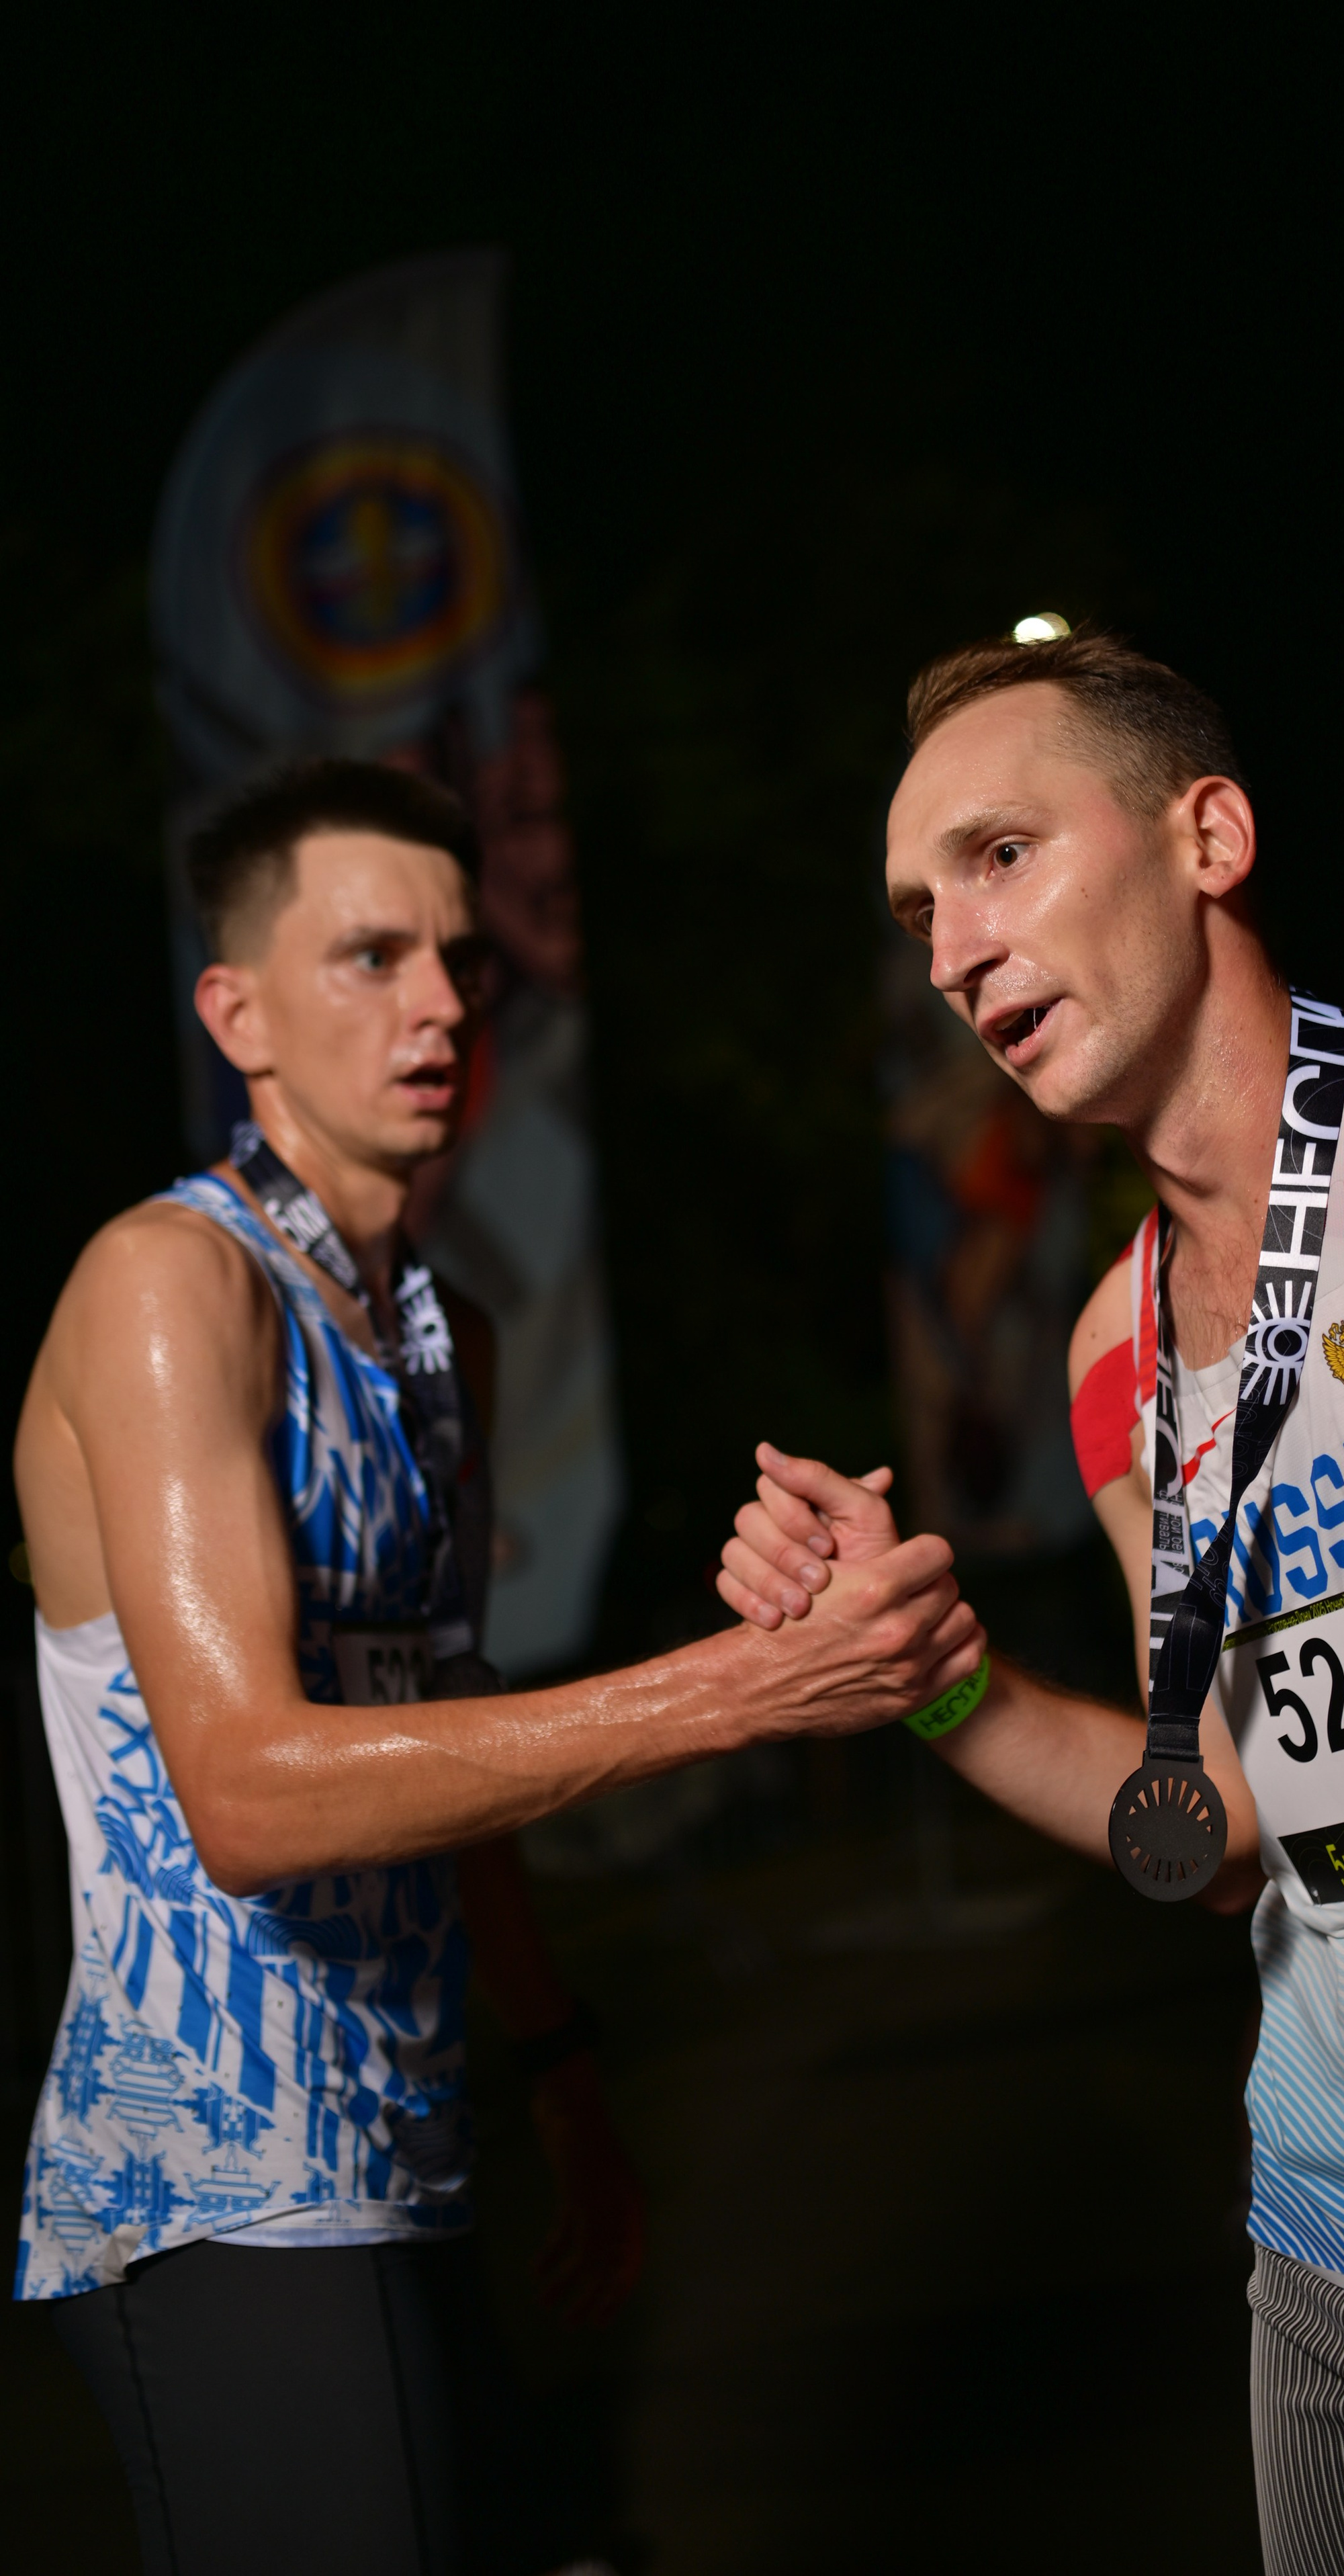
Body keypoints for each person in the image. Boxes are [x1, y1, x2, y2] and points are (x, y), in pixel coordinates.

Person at [719, 629, 1344, 2573]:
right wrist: (938, 1678)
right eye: (922, 905)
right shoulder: (1116, 1357)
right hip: (1336, 2288)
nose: (951, 949)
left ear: (1211, 833)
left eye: (1000, 855)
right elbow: (1243, 1833)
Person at [12, 758, 982, 2576]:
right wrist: (740, 1689)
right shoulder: (171, 1285)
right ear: (239, 1014)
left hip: (410, 2150)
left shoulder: (432, 1323)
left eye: (459, 957)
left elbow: (445, 1740)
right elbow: (244, 1790)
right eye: (373, 956)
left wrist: (563, 2069)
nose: (448, 1003)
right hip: (219, 2188)